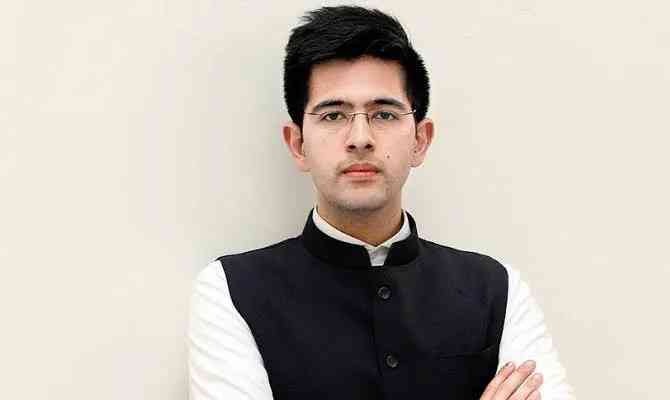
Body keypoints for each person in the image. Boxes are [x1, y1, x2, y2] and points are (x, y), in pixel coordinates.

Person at [188, 6, 574, 400]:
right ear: (298, 144)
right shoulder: (230, 291)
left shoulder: (497, 289)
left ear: (420, 140)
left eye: (384, 114)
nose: (360, 138)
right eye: (333, 115)